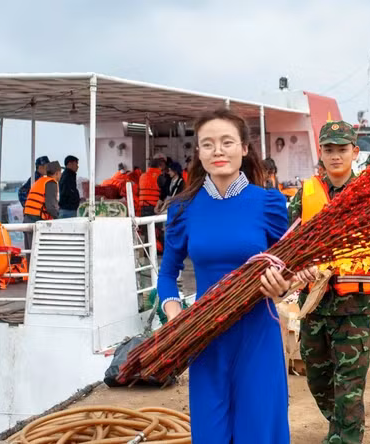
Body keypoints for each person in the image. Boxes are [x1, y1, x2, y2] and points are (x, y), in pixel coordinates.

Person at [158, 108, 290, 443]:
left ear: (244, 148)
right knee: (210, 434)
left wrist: (282, 287)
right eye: (208, 144)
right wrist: (175, 315)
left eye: (227, 142)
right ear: (199, 152)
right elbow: (167, 273)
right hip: (206, 340)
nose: (218, 150)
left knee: (258, 433)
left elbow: (288, 269)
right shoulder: (183, 209)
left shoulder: (269, 203)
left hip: (258, 336)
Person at [288, 120, 370, 444]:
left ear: (354, 152)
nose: (335, 156)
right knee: (317, 378)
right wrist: (299, 268)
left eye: (342, 149)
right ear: (321, 152)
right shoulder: (305, 195)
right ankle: (339, 428)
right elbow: (289, 243)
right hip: (314, 305)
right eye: (329, 149)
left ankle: (346, 437)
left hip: (353, 307)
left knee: (350, 384)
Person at [23, 161, 62, 253]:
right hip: (36, 221)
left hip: (27, 219)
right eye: (60, 172)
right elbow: (51, 207)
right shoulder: (51, 183)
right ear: (57, 173)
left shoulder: (39, 181)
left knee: (30, 254)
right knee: (38, 253)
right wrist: (60, 220)